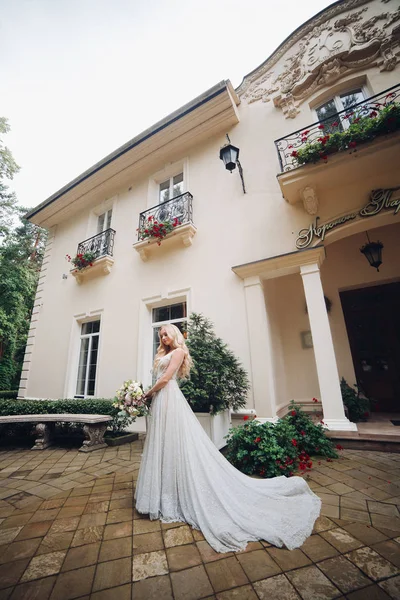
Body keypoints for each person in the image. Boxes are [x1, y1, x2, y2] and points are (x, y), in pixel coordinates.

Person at [134, 323, 321, 553]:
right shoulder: (164, 353)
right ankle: (165, 494)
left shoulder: (179, 351)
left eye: (166, 333)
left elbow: (165, 379)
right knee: (164, 445)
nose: (162, 337)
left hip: (168, 398)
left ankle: (176, 493)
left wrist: (146, 394)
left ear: (174, 334)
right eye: (160, 334)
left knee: (177, 444)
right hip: (162, 401)